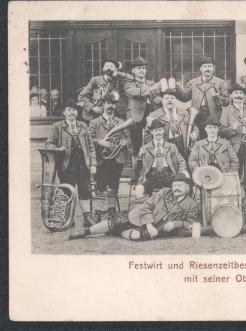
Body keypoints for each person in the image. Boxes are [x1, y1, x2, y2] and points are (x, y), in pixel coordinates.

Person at [69, 173, 199, 241]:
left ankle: (120, 232)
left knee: (137, 236)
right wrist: (149, 224)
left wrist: (176, 224)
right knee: (115, 223)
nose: (176, 188)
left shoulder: (191, 204)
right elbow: (146, 207)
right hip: (140, 217)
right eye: (174, 185)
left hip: (157, 229)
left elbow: (191, 223)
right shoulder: (164, 192)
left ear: (187, 188)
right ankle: (85, 232)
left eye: (180, 186)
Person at [44, 99, 97, 227]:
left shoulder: (83, 126)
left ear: (77, 113)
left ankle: (87, 218)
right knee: (67, 191)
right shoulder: (57, 126)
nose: (72, 113)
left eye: (74, 110)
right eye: (69, 110)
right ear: (64, 112)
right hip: (66, 165)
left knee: (85, 191)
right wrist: (57, 149)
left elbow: (91, 146)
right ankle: (68, 218)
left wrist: (93, 164)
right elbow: (49, 143)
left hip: (83, 165)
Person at [88, 92, 129, 221]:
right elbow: (89, 139)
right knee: (101, 185)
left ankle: (112, 210)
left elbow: (127, 139)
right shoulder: (95, 122)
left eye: (113, 104)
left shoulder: (121, 122)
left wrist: (124, 143)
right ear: (103, 105)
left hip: (117, 159)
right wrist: (99, 141)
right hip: (101, 158)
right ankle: (98, 212)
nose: (110, 106)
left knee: (113, 185)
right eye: (108, 103)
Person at [171, 56, 230, 139]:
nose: (207, 69)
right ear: (201, 69)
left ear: (213, 68)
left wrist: (218, 98)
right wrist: (176, 88)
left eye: (210, 66)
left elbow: (227, 101)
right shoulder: (193, 82)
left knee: (212, 139)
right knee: (197, 140)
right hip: (196, 117)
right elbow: (185, 97)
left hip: (213, 117)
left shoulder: (220, 82)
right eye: (205, 66)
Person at [135, 119, 188, 197]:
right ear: (151, 132)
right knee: (144, 189)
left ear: (163, 131)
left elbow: (181, 161)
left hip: (168, 175)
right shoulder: (145, 148)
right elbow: (137, 167)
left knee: (178, 187)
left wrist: (180, 174)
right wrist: (139, 156)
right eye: (156, 130)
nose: (158, 133)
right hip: (151, 176)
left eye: (160, 130)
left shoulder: (171, 146)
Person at [144, 89, 199, 158]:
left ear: (176, 100)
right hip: (164, 149)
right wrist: (154, 150)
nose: (169, 100)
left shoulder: (185, 113)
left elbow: (194, 127)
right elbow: (147, 135)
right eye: (166, 98)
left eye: (172, 98)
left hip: (183, 148)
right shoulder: (154, 115)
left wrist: (195, 134)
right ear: (162, 101)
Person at [219, 83, 246, 176]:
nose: (238, 96)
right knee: (238, 172)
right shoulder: (226, 111)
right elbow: (221, 131)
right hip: (236, 146)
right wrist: (232, 128)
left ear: (244, 95)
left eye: (241, 93)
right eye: (236, 93)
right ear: (231, 96)